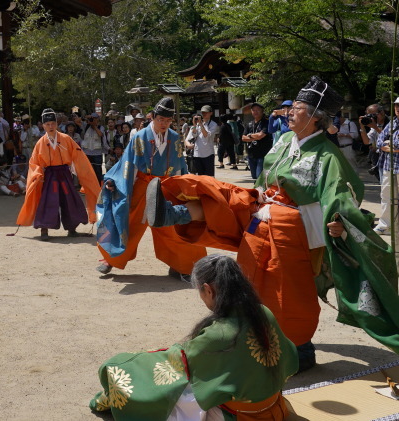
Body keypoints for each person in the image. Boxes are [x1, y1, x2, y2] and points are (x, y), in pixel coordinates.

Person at [145, 77, 399, 370]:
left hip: (292, 227)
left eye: (299, 108)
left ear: (316, 118)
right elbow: (264, 178)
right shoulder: (285, 141)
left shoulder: (328, 155)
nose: (290, 112)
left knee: (286, 293)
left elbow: (343, 198)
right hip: (262, 214)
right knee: (229, 211)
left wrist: (339, 223)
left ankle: (298, 349)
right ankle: (173, 210)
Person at [89, 255, 298, 420]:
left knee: (167, 386)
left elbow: (176, 364)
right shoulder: (263, 311)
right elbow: (288, 356)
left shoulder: (220, 334)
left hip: (241, 417)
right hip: (275, 407)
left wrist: (127, 362)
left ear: (208, 290)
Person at [95, 97, 206, 276]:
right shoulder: (139, 137)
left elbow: (180, 166)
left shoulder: (175, 138)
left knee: (172, 226)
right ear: (152, 117)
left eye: (168, 120)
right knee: (129, 223)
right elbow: (127, 164)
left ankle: (180, 265)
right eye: (160, 119)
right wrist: (114, 182)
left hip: (165, 188)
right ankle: (112, 259)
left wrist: (185, 189)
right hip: (142, 187)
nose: (164, 124)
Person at [16, 108, 100, 240]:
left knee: (70, 200)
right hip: (50, 175)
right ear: (43, 126)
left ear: (57, 124)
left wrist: (82, 172)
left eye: (53, 124)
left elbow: (79, 156)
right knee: (48, 200)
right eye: (47, 124)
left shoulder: (66, 139)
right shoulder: (40, 143)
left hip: (65, 173)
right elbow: (34, 163)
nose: (50, 127)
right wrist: (37, 173)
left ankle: (72, 228)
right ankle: (44, 230)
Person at [374, 98, 399, 234]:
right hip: (389, 167)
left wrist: (391, 145)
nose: (398, 108)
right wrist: (390, 146)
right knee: (386, 196)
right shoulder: (392, 124)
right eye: (396, 106)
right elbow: (379, 142)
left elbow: (395, 145)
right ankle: (385, 226)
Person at [241, 102, 272, 179]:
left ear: (262, 111)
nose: (255, 112)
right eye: (253, 110)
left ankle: (260, 191)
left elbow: (261, 135)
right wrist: (255, 136)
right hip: (251, 154)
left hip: (262, 154)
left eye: (258, 110)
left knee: (259, 177)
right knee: (254, 177)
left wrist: (250, 135)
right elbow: (243, 138)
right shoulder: (249, 124)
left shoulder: (266, 122)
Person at [185, 105, 218, 177]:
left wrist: (200, 124)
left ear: (211, 113)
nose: (204, 114)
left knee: (209, 177)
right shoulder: (197, 124)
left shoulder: (213, 124)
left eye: (206, 112)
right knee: (199, 177)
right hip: (197, 154)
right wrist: (194, 124)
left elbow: (207, 135)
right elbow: (192, 135)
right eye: (203, 112)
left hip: (208, 154)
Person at [81, 112, 107, 185]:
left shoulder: (100, 127)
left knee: (98, 170)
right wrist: (86, 117)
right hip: (87, 152)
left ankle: (98, 185)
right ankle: (89, 185)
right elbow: (77, 121)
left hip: (97, 153)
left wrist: (94, 126)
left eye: (95, 118)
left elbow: (100, 134)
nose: (93, 120)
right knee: (88, 170)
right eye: (92, 118)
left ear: (98, 119)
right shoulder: (85, 126)